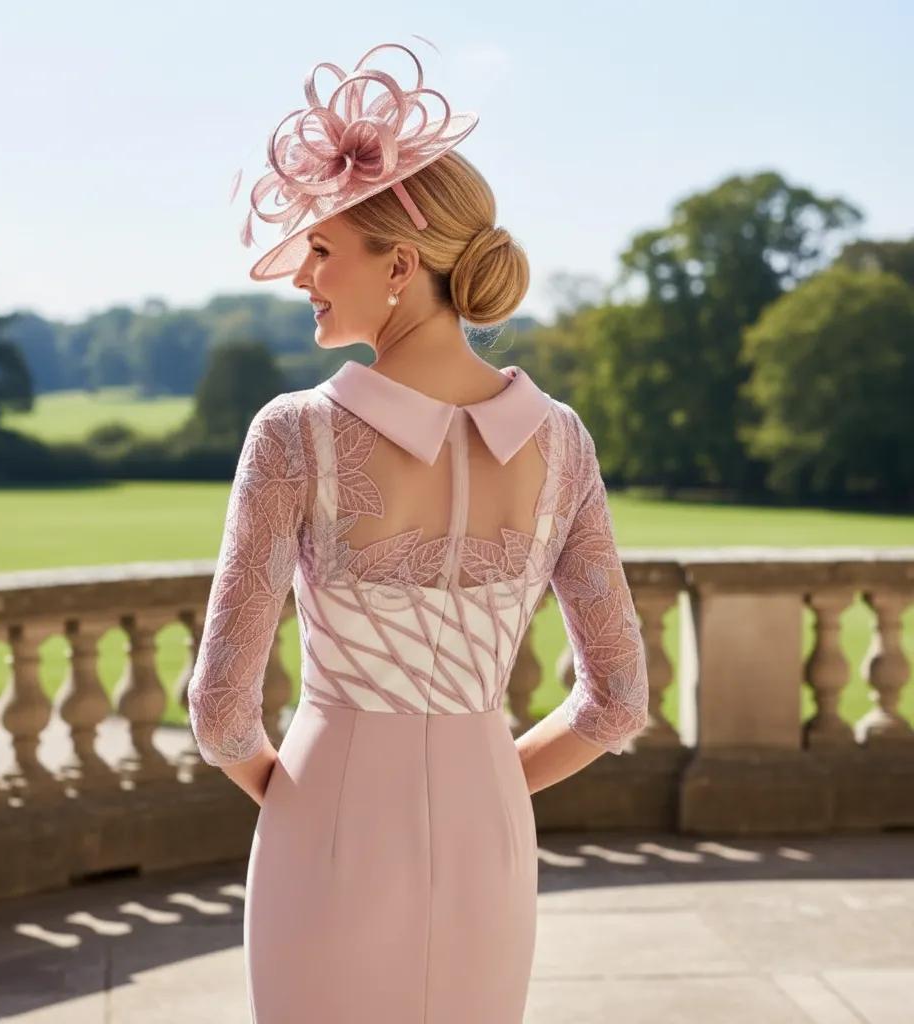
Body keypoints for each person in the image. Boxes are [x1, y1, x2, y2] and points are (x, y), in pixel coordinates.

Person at [187, 37, 649, 1023]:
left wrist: (309, 801)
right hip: (489, 834)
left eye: (321, 247)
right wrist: (478, 780)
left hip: (329, 829)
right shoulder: (560, 440)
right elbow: (616, 703)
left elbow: (221, 709)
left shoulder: (295, 432)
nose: (301, 273)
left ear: (398, 264)